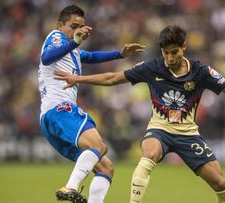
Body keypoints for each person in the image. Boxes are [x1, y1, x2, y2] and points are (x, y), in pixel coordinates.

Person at [54, 25, 225, 203]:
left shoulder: (200, 71)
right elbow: (114, 78)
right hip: (160, 129)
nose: (170, 58)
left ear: (184, 47)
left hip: (188, 134)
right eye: (166, 53)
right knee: (149, 154)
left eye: (174, 52)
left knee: (220, 182)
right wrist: (79, 79)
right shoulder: (152, 67)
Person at [38, 5, 145, 203]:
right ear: (60, 25)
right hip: (60, 110)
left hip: (51, 118)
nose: (78, 30)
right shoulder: (56, 37)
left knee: (106, 167)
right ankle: (70, 187)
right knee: (99, 145)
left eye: (81, 26)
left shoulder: (72, 49)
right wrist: (75, 42)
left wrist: (119, 54)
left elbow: (91, 56)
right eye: (73, 26)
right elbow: (46, 58)